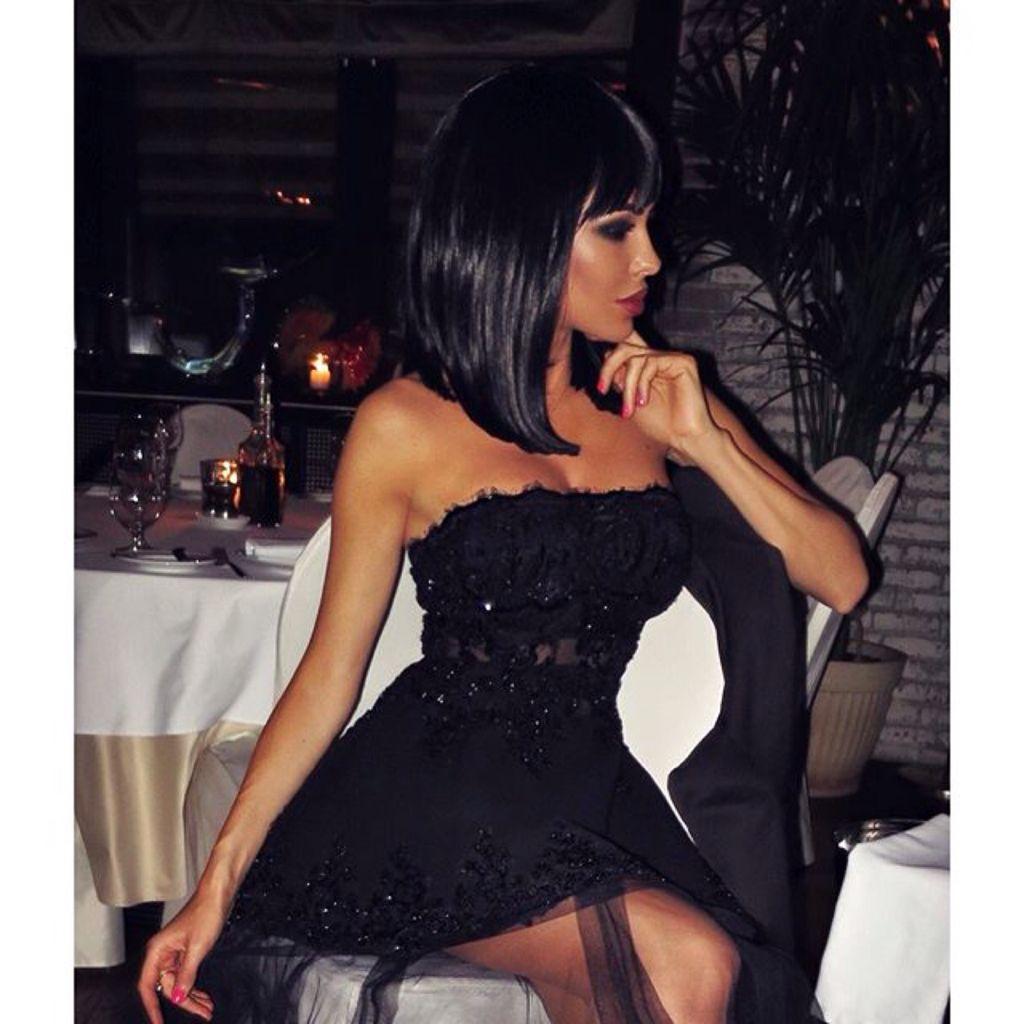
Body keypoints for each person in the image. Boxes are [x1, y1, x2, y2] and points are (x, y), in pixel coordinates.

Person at [138, 65, 868, 1024]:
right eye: (619, 228)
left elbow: (842, 577)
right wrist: (216, 884)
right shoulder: (406, 423)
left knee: (690, 974)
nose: (652, 258)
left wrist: (707, 442)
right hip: (431, 794)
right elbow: (326, 676)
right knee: (690, 968)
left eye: (649, 225)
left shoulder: (654, 398)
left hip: (589, 786)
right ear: (523, 230)